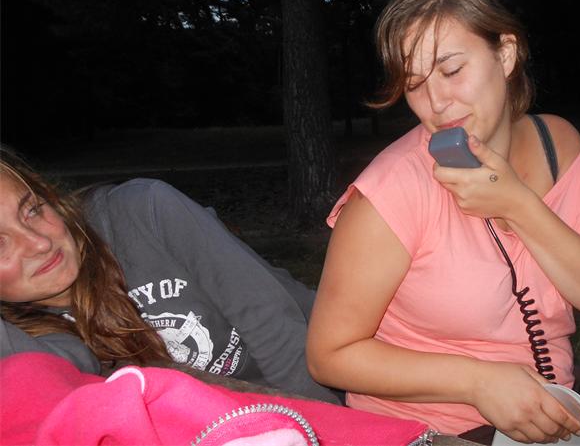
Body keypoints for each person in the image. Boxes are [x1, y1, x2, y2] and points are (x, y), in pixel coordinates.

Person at [306, 0, 580, 443]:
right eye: (414, 83)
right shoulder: (391, 191)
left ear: (506, 53)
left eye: (451, 70)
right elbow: (328, 356)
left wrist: (519, 205)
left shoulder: (558, 146)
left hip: (552, 407)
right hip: (430, 429)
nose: (436, 102)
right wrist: (478, 382)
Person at [0, 147, 341, 404]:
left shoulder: (142, 211)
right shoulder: (26, 331)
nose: (39, 243)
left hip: (331, 376)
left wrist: (329, 427)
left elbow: (274, 327)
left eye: (32, 210)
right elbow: (49, 382)